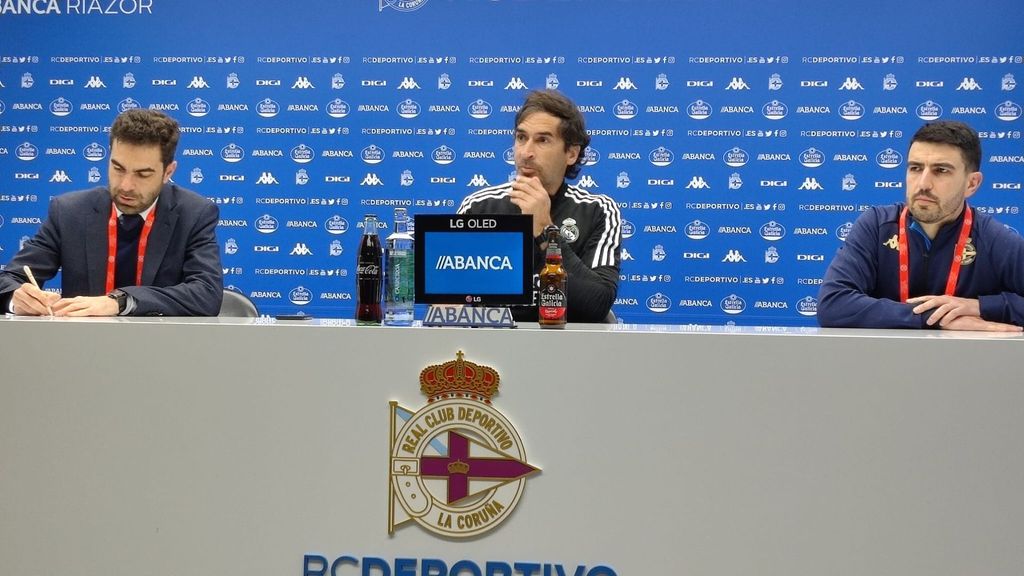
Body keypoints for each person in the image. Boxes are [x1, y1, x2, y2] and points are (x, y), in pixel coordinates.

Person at [0, 109, 223, 316]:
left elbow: (206, 294)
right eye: (118, 168)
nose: (126, 185)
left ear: (168, 172)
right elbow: (10, 278)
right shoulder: (69, 212)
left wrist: (121, 301)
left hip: (160, 348)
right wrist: (16, 298)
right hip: (81, 347)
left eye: (142, 174)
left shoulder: (194, 214)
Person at [817, 120, 1024, 331]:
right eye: (915, 168)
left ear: (971, 184)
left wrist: (981, 306)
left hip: (962, 363)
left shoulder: (993, 239)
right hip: (882, 361)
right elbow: (833, 304)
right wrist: (934, 317)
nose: (923, 184)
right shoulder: (877, 226)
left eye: (941, 170)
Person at [458, 89, 621, 323]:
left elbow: (597, 305)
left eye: (542, 140)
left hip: (569, 348)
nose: (526, 153)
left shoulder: (598, 210)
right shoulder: (479, 206)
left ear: (572, 154)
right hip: (492, 348)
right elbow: (450, 302)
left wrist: (545, 229)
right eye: (521, 138)